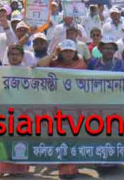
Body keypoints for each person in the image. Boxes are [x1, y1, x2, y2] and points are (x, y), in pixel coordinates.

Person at [36, 39, 86, 179]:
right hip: (57, 106)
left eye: (70, 51)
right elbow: (39, 65)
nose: (68, 54)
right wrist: (53, 53)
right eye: (65, 51)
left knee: (72, 137)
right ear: (61, 52)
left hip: (75, 107)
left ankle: (71, 167)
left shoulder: (81, 65)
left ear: (75, 52)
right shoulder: (54, 64)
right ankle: (64, 168)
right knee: (60, 137)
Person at [0, 44, 32, 177]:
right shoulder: (0, 70)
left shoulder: (28, 71)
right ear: (7, 56)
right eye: (11, 54)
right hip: (4, 110)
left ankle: (18, 169)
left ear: (22, 56)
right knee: (3, 139)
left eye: (17, 54)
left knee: (19, 140)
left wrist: (34, 70)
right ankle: (0, 169)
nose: (14, 57)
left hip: (21, 111)